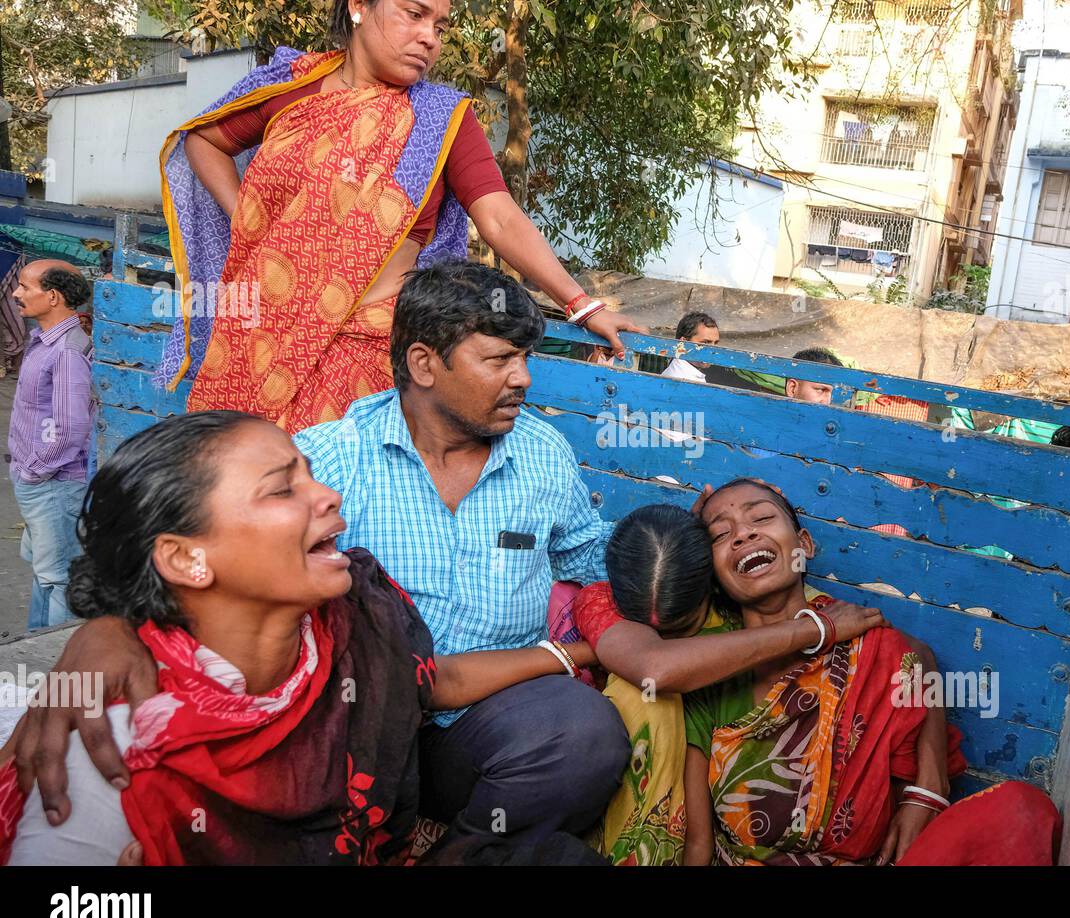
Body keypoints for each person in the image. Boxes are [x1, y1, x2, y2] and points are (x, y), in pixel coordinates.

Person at [10, 262, 630, 854]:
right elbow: (189, 550)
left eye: (524, 358)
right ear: (423, 363)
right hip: (349, 722)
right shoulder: (330, 458)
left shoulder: (542, 452)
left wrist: (695, 544)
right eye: (499, 359)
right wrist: (106, 631)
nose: (522, 378)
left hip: (486, 716)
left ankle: (465, 853)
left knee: (579, 735)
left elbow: (589, 558)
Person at [0, 411, 606, 865]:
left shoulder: (360, 609)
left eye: (310, 475)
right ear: (187, 559)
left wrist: (574, 652)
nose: (328, 494)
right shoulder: (112, 752)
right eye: (282, 488)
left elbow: (433, 678)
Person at [159, 0, 642, 431]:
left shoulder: (441, 118)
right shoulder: (290, 89)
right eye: (415, 14)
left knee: (334, 506)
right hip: (259, 334)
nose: (430, 37)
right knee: (237, 487)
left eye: (441, 25)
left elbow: (499, 217)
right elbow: (205, 140)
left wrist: (584, 305)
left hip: (364, 352)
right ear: (358, 8)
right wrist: (249, 217)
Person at [679, 479, 1061, 865]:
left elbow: (915, 656)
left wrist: (927, 791)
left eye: (761, 517)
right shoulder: (708, 674)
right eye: (721, 535)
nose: (744, 533)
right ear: (713, 577)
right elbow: (699, 843)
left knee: (1019, 810)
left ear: (804, 545)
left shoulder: (870, 650)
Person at [566, 503, 884, 864]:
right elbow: (657, 668)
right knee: (643, 696)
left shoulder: (747, 609)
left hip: (766, 826)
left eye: (685, 627)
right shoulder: (600, 602)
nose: (669, 642)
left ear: (711, 588)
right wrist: (815, 629)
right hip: (647, 794)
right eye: (648, 632)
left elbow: (890, 647)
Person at [7, 260, 94, 629]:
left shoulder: (67, 352)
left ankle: (56, 668)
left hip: (53, 484)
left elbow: (71, 428)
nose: (15, 293)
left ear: (53, 296)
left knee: (59, 578)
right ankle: (33, 646)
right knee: (46, 573)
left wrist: (34, 472)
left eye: (25, 287)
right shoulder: (45, 340)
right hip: (43, 482)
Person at [662, 311, 719, 382]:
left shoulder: (687, 373)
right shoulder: (681, 378)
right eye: (705, 342)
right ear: (683, 343)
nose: (713, 350)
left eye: (716, 343)